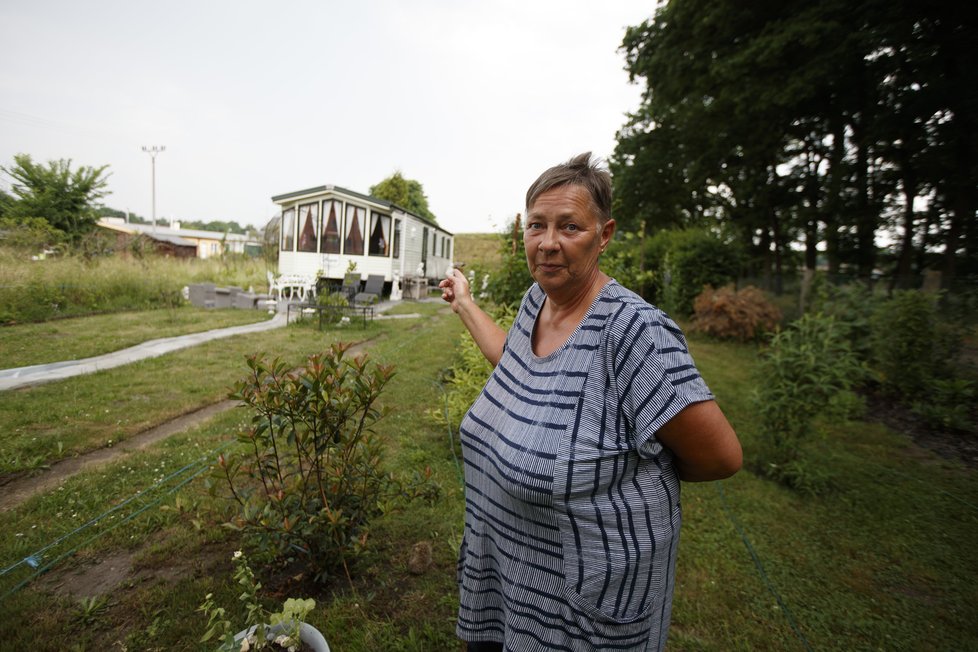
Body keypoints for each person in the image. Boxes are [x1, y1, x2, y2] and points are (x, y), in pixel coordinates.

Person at [439, 152, 742, 651]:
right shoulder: (537, 301)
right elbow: (519, 367)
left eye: (570, 227)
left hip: (583, 607)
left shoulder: (634, 334)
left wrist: (618, 476)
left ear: (604, 235)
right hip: (509, 582)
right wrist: (466, 305)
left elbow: (720, 457)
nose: (549, 243)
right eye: (537, 225)